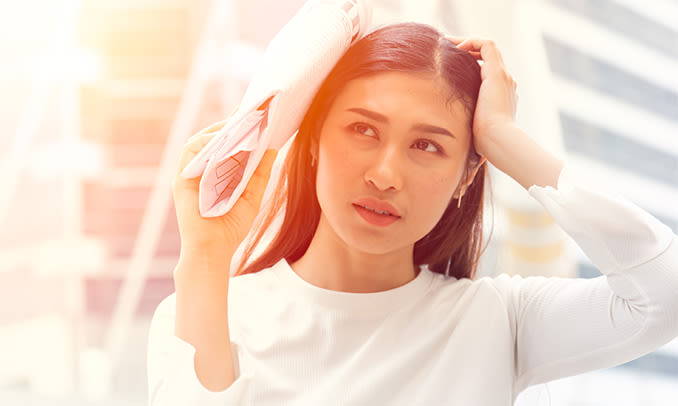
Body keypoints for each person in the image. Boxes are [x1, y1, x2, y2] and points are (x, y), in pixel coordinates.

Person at [147, 23, 678, 405]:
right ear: (312, 142)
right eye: (362, 129)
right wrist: (205, 256)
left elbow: (663, 292)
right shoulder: (206, 311)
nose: (385, 174)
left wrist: (501, 138)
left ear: (466, 175)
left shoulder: (499, 322)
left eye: (427, 146)